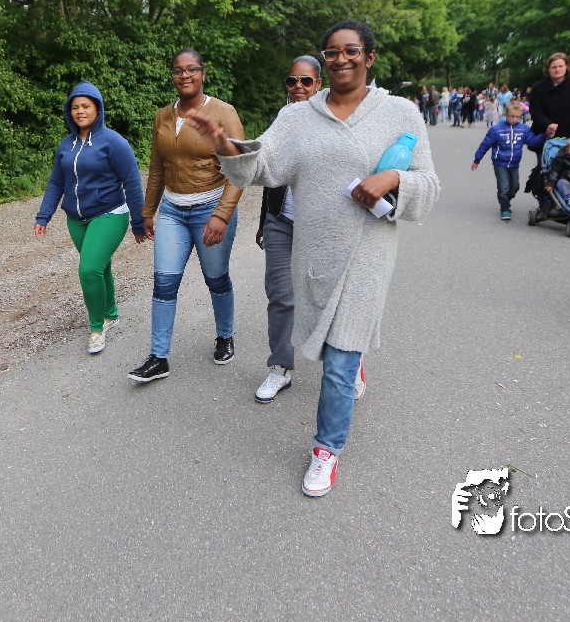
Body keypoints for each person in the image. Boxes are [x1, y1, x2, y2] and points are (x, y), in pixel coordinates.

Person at [184, 20, 439, 498]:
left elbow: (429, 184)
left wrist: (393, 180)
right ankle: (345, 363)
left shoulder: (400, 113)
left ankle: (326, 449)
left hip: (368, 252)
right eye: (332, 52)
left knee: (339, 358)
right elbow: (263, 165)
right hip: (314, 250)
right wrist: (224, 146)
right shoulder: (298, 117)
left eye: (351, 50)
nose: (341, 59)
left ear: (370, 57)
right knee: (324, 342)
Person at [127, 49, 244, 384]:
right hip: (172, 211)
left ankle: (225, 335)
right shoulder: (162, 116)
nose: (184, 75)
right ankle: (158, 357)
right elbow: (157, 168)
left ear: (203, 73)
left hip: (210, 208)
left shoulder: (224, 113)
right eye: (178, 71)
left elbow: (240, 169)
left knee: (216, 278)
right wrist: (148, 211)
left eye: (191, 69)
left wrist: (222, 215)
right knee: (164, 282)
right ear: (172, 76)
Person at [254, 55, 362, 405]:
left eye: (306, 81)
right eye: (292, 81)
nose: (298, 87)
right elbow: (269, 170)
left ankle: (350, 363)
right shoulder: (283, 118)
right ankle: (279, 368)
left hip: (325, 226)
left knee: (330, 298)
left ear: (319, 84)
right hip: (281, 222)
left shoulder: (337, 117)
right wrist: (264, 219)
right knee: (280, 295)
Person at [35, 82, 146, 354]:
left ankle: (97, 327)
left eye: (86, 106)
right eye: (75, 107)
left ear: (98, 108)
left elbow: (132, 182)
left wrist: (139, 223)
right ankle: (110, 313)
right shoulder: (66, 145)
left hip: (110, 213)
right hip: (76, 218)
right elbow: (56, 182)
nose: (80, 111)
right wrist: (44, 215)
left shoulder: (113, 142)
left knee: (88, 269)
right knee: (100, 266)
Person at [526, 53, 570, 215]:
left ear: (567, 67)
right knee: (546, 168)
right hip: (547, 133)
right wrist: (547, 125)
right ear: (548, 69)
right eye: (553, 67)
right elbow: (535, 112)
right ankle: (546, 204)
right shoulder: (539, 87)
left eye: (560, 66)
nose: (557, 70)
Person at [471, 101, 549, 221]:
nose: (514, 119)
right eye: (512, 116)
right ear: (505, 114)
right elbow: (484, 145)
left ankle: (506, 199)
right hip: (499, 162)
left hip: (514, 163)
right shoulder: (496, 130)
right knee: (504, 187)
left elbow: (532, 142)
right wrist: (477, 160)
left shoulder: (523, 129)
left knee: (515, 187)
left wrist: (545, 135)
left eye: (517, 117)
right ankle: (505, 207)